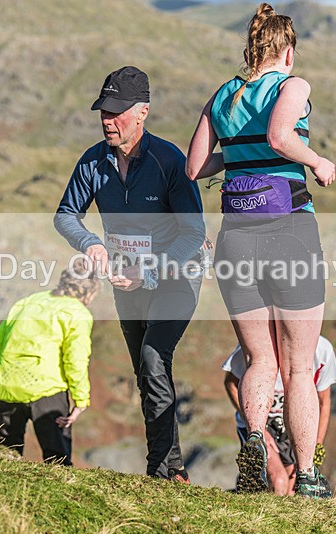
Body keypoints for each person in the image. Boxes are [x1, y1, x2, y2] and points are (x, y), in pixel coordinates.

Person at [185, 3, 336, 497]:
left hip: (236, 237)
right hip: (289, 229)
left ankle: (254, 443)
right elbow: (279, 134)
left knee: (259, 361)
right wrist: (318, 160)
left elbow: (196, 168)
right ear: (287, 51)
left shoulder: (224, 94)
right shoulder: (294, 87)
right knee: (298, 366)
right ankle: (309, 477)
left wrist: (240, 152)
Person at [54, 66, 206, 482]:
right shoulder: (93, 161)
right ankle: (174, 468)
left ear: (142, 113)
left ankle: (157, 474)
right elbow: (66, 215)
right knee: (148, 374)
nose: (108, 119)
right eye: (104, 110)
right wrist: (92, 244)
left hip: (177, 275)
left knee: (154, 358)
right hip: (126, 282)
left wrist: (150, 269)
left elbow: (195, 233)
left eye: (117, 111)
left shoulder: (168, 160)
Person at [0, 258, 100, 466]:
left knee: (5, 457)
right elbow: (76, 360)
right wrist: (80, 401)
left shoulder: (28, 302)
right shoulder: (77, 313)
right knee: (58, 461)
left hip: (6, 387)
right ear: (89, 293)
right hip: (47, 393)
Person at [222, 335, 336, 495]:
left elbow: (323, 402)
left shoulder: (323, 349)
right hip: (262, 422)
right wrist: (258, 430)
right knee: (279, 481)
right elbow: (230, 383)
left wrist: (316, 444)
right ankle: (260, 512)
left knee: (292, 488)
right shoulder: (258, 337)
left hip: (293, 425)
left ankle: (247, 494)